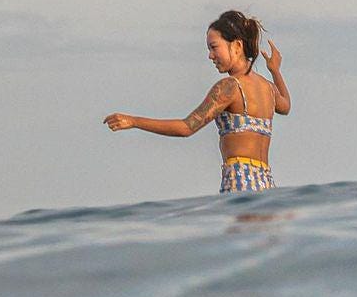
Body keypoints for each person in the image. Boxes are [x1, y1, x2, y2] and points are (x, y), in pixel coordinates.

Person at [103, 10, 291, 193]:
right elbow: (285, 106)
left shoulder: (229, 87)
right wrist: (275, 71)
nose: (210, 55)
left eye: (214, 47)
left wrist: (134, 121)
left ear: (237, 46)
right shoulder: (268, 88)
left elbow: (186, 128)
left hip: (239, 182)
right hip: (266, 184)